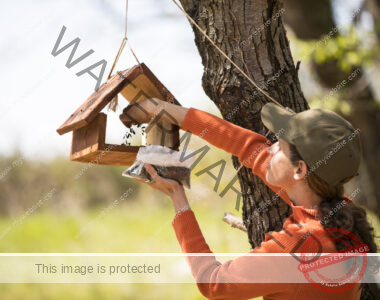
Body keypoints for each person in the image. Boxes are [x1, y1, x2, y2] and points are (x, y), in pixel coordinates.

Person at [120, 99, 379, 299]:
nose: (270, 147)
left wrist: (177, 197)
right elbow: (248, 148)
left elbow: (214, 283)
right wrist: (167, 110)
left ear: (299, 170)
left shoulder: (295, 248)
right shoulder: (340, 213)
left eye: (279, 145)